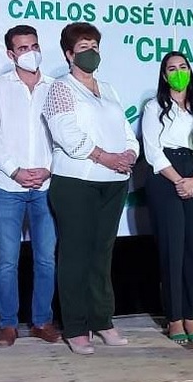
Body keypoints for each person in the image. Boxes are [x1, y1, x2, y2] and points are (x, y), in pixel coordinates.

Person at [42, 22, 139, 355]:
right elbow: (66, 134)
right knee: (75, 255)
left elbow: (126, 131)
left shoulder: (108, 88)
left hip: (114, 183)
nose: (91, 52)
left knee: (102, 253)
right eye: (84, 47)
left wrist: (129, 154)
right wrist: (105, 157)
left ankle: (102, 320)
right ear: (69, 54)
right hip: (76, 182)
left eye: (95, 46)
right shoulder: (60, 88)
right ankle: (76, 326)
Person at [0, 25, 60, 348]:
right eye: (23, 48)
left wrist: (49, 168)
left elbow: (63, 135)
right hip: (8, 186)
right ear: (10, 54)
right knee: (8, 260)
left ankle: (42, 321)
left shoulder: (55, 88)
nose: (30, 53)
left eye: (34, 46)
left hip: (46, 186)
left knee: (46, 259)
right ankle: (8, 324)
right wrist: (15, 171)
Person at [142, 51, 193, 345]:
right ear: (164, 75)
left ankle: (190, 313)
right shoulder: (154, 107)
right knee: (172, 249)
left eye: (183, 67)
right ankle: (174, 317)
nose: (178, 72)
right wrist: (178, 181)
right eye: (172, 68)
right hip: (166, 176)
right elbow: (152, 150)